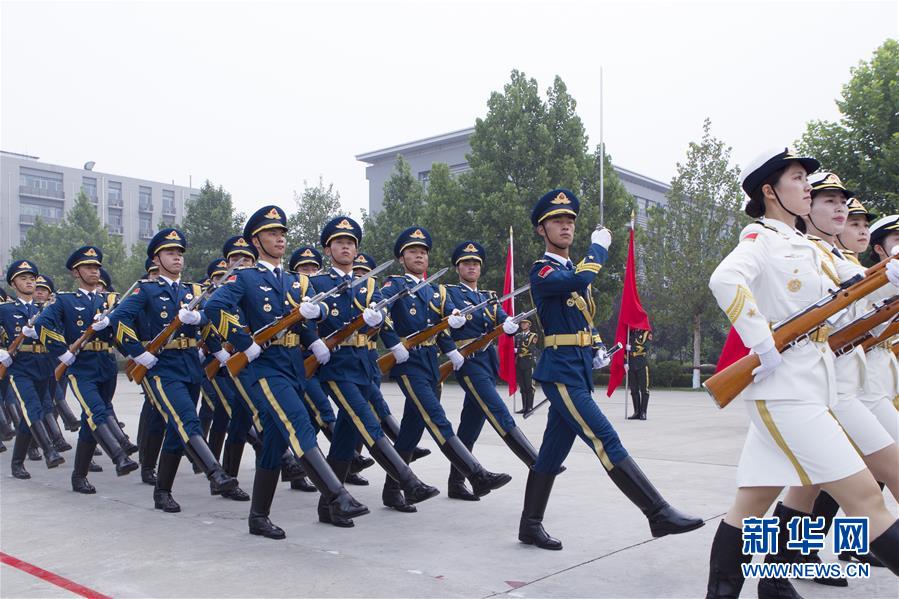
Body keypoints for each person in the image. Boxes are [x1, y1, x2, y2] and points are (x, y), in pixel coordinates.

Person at [705, 149, 899, 598]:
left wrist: (888, 275)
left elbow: (857, 287)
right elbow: (724, 280)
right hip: (786, 393)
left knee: (750, 506)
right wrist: (761, 342)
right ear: (770, 191)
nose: (807, 186)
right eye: (799, 178)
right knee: (867, 500)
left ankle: (754, 587)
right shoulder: (760, 238)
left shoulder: (806, 248)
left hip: (812, 390)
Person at [521, 188, 703, 552]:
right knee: (605, 437)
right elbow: (579, 282)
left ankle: (529, 525)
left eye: (570, 220)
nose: (566, 226)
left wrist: (596, 348)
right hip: (558, 373)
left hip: (577, 368)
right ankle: (657, 512)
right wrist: (599, 248)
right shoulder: (542, 270)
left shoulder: (572, 269)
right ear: (542, 229)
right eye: (557, 221)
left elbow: (581, 317)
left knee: (551, 454)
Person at [204, 205, 368, 539]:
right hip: (266, 367)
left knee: (275, 441)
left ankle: (258, 517)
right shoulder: (246, 277)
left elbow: (309, 316)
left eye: (282, 233)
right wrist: (242, 341)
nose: (279, 238)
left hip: (294, 364)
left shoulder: (295, 280)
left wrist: (315, 321)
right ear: (256, 240)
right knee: (299, 424)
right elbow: (214, 307)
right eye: (271, 233)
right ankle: (337, 495)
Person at [308, 216, 439, 518]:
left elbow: (383, 314)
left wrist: (378, 320)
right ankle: (408, 481)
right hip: (336, 365)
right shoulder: (317, 283)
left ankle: (327, 506)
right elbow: (309, 315)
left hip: (365, 365)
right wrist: (316, 328)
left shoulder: (368, 284)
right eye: (340, 243)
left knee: (345, 433)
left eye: (351, 244)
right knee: (368, 422)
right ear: (328, 250)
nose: (346, 248)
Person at [108, 228, 238, 513]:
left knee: (178, 431)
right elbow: (117, 320)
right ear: (157, 258)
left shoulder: (192, 291)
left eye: (179, 253)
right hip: (162, 367)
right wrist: (139, 354)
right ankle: (216, 474)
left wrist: (209, 336)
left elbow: (207, 324)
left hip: (190, 364)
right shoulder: (148, 290)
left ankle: (162, 490)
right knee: (187, 420)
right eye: (170, 253)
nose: (177, 257)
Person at [380, 226, 511, 506]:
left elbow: (439, 329)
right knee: (437, 418)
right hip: (408, 361)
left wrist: (451, 350)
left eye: (423, 252)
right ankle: (475, 474)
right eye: (413, 251)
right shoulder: (395, 285)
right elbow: (379, 313)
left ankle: (392, 490)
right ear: (402, 258)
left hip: (430, 364)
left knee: (412, 429)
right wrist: (394, 344)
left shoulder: (435, 292)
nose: (419, 256)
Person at [34, 247, 140, 493]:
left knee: (91, 419)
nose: (95, 271)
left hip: (106, 363)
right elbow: (42, 324)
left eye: (97, 267)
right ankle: (119, 456)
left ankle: (79, 476)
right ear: (76, 272)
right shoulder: (66, 300)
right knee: (96, 411)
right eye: (89, 267)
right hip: (81, 366)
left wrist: (113, 323)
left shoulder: (110, 301)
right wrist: (63, 352)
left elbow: (127, 323)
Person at [444, 241, 542, 501]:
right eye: (466, 263)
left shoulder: (487, 297)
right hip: (467, 361)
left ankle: (456, 483)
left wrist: (509, 324)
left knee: (470, 425)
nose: (472, 267)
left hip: (486, 362)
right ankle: (535, 461)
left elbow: (502, 318)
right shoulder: (449, 293)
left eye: (475, 263)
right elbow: (442, 318)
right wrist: (449, 319)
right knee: (496, 409)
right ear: (458, 268)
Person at [1, 260, 65, 478]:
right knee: (32, 408)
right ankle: (49, 451)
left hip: (45, 365)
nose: (29, 282)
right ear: (13, 283)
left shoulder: (46, 310)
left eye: (32, 278)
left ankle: (17, 462)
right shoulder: (6, 309)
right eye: (23, 279)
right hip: (20, 366)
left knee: (35, 413)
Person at [626, 328, 652, 420]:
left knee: (644, 389)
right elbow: (625, 349)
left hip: (641, 363)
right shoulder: (630, 332)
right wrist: (625, 362)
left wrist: (632, 348)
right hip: (631, 364)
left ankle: (643, 412)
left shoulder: (646, 332)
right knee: (634, 389)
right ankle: (636, 412)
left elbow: (646, 347)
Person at [514, 319, 538, 414]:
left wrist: (517, 350)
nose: (523, 325)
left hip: (528, 362)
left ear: (529, 324)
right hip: (519, 363)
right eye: (522, 323)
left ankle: (530, 407)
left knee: (529, 386)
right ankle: (524, 407)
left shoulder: (533, 335)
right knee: (522, 386)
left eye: (525, 323)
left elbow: (530, 348)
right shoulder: (518, 336)